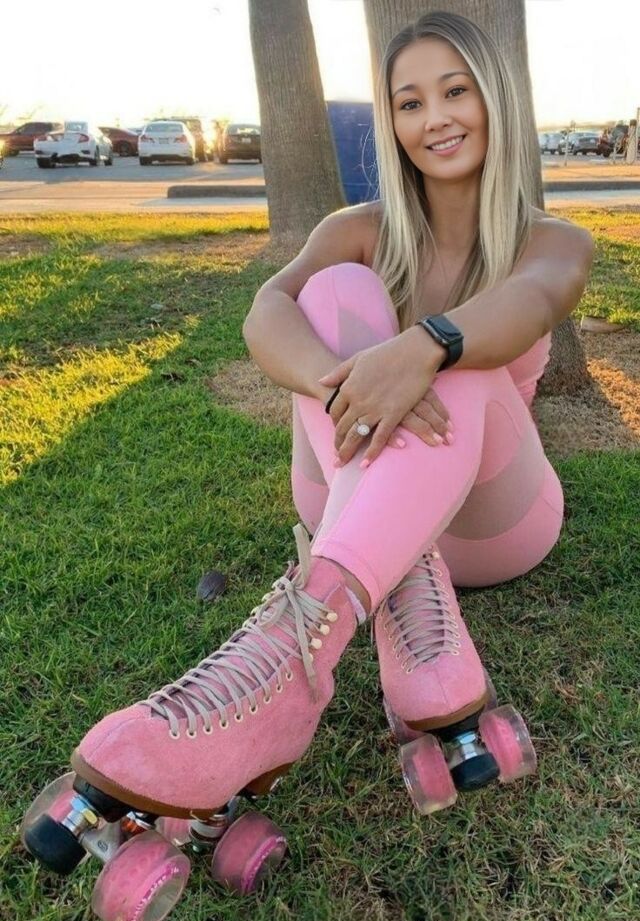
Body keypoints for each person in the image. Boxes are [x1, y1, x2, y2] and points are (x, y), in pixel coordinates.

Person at [62, 12, 594, 835]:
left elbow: (527, 303)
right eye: (410, 102)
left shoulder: (551, 241)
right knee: (329, 294)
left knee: (464, 366)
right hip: (359, 500)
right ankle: (402, 639)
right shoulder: (357, 229)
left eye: (455, 92)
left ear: (495, 99)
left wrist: (423, 348)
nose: (435, 118)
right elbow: (266, 311)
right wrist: (345, 383)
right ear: (392, 121)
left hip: (491, 522)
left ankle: (279, 660)